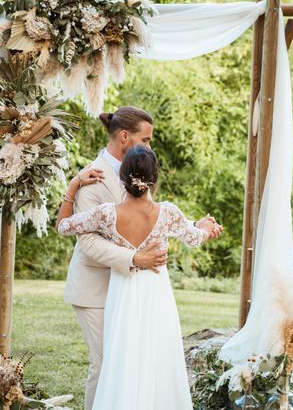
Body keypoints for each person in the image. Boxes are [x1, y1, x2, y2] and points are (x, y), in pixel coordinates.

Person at [56, 145, 223, 410]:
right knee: (157, 355)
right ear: (153, 179)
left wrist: (75, 184)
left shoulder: (107, 213)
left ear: (122, 178)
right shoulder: (168, 212)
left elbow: (63, 225)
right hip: (157, 294)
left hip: (123, 292)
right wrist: (206, 227)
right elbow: (195, 237)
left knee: (123, 355)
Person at [63, 106, 167, 410]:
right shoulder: (92, 178)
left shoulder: (137, 172)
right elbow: (89, 243)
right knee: (106, 364)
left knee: (128, 364)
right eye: (145, 140)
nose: (149, 146)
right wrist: (136, 258)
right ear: (124, 137)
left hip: (129, 290)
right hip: (96, 289)